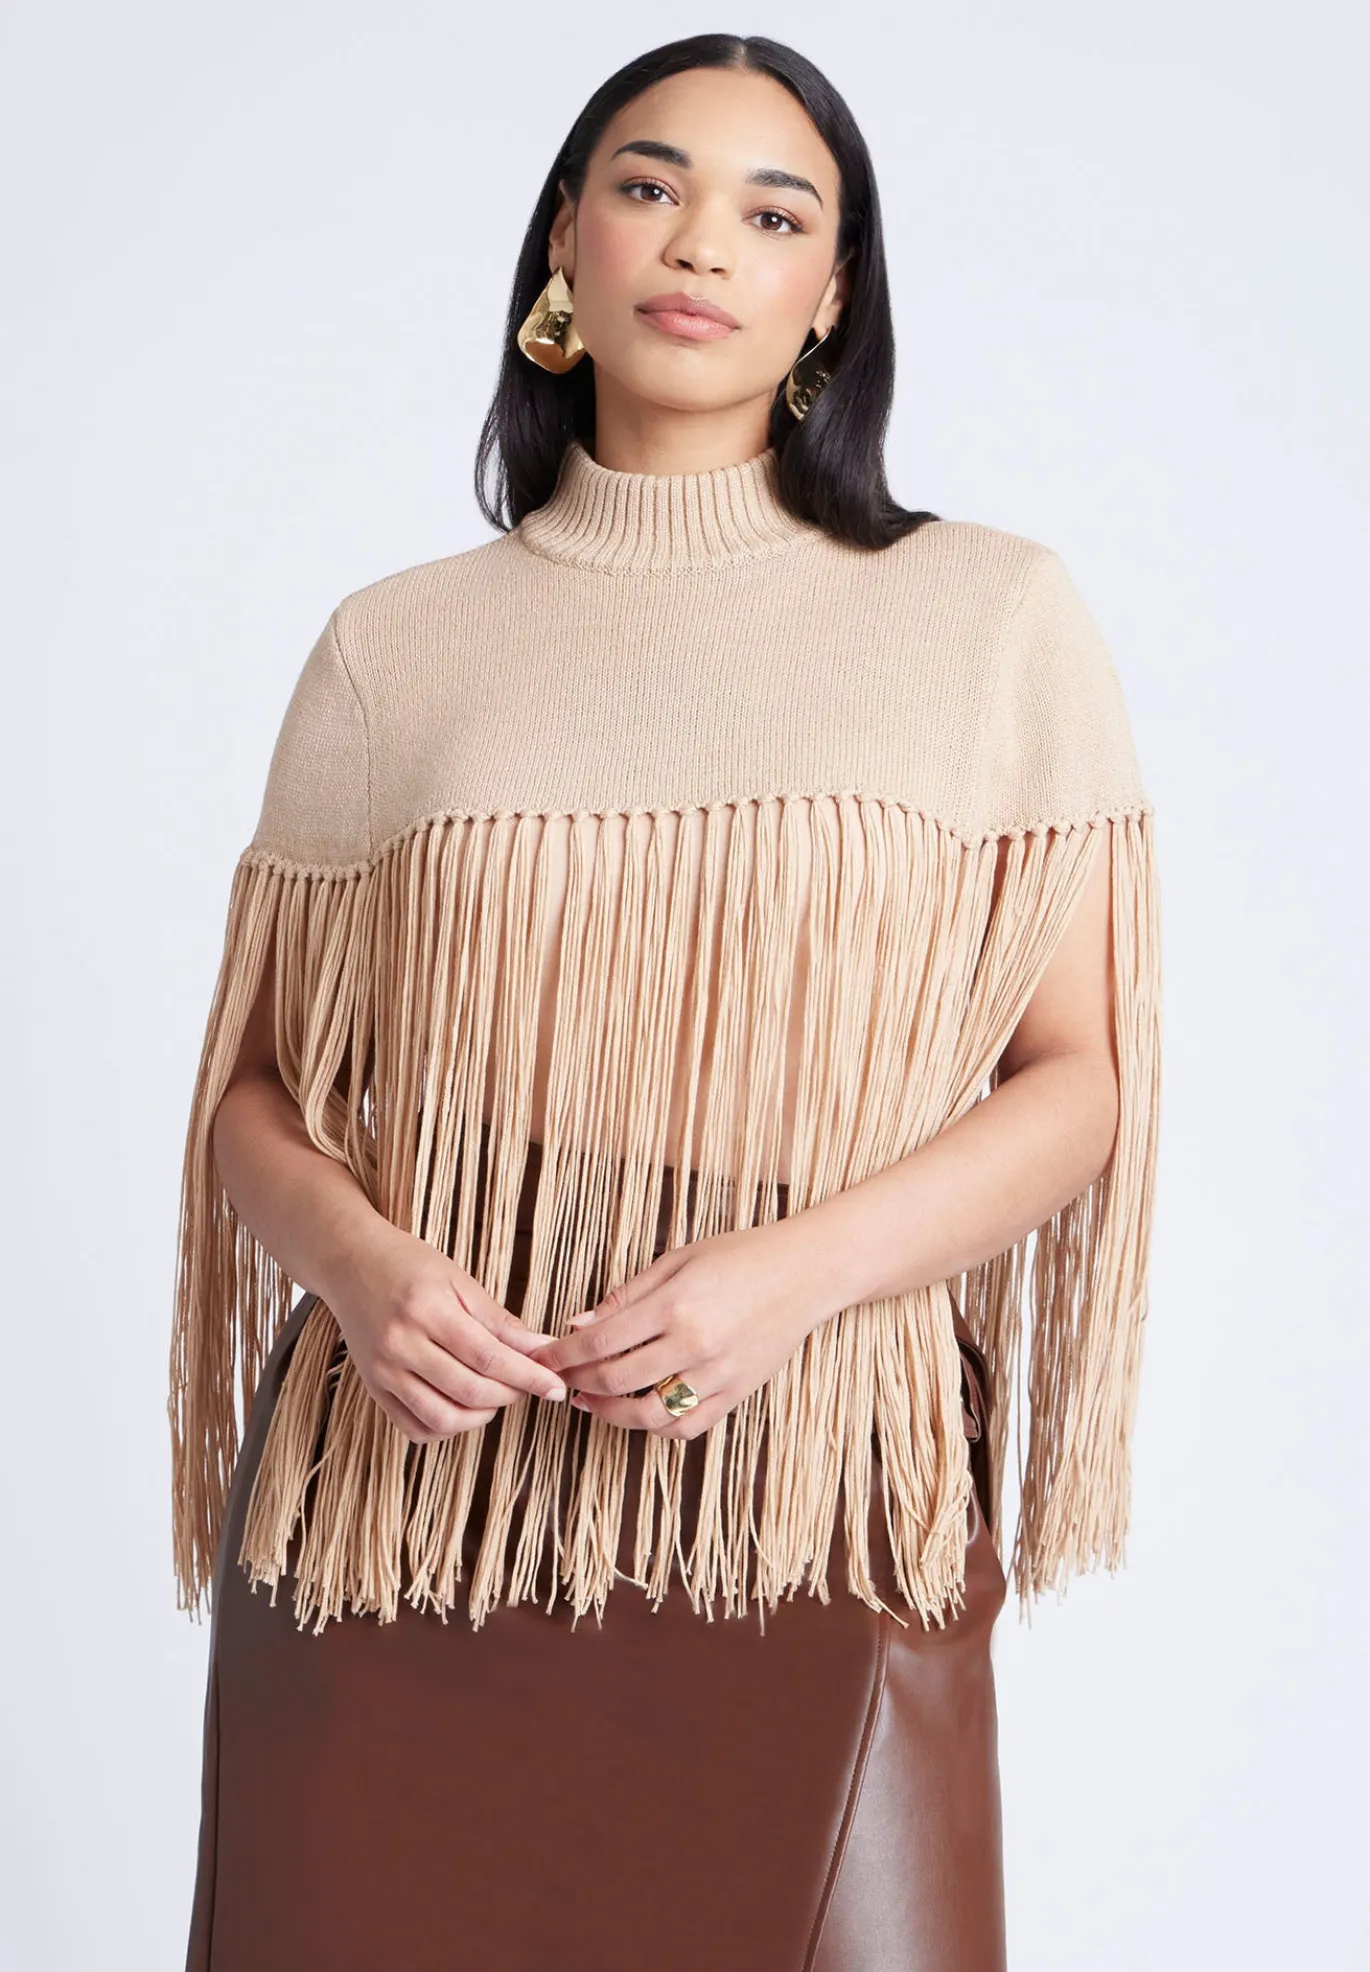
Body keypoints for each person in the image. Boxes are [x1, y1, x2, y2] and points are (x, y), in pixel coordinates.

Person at [170, 32, 1162, 1972]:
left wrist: (790, 1275)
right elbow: (257, 1092)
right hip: (410, 1504)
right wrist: (364, 1273)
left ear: (832, 294)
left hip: (802, 1481)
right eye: (649, 185)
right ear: (567, 239)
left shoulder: (989, 617)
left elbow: (1076, 1081)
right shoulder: (392, 648)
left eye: (772, 213)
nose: (702, 241)